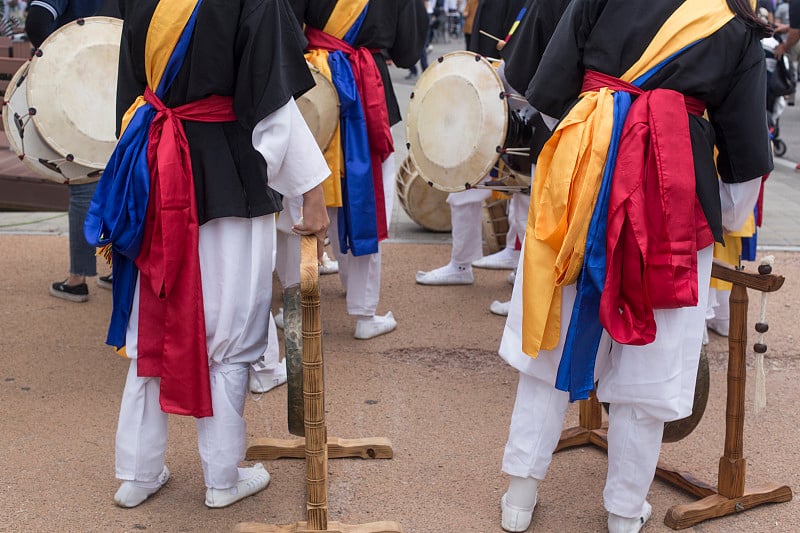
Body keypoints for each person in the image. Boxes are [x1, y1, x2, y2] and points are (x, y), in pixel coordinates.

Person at [497, 2, 772, 532]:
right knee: (652, 349)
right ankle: (624, 511)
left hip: (586, 169)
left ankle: (519, 496)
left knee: (554, 335)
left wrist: (596, 136)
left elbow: (550, 98)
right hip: (675, 193)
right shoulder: (737, 25)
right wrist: (727, 217)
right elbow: (742, 163)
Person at [84, 0, 330, 508]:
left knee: (148, 329)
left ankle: (137, 472)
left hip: (153, 169)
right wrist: (310, 191)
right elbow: (273, 107)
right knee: (231, 333)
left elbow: (130, 94)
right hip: (228, 180)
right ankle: (222, 478)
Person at [291, 0, 428, 340]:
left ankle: (293, 305)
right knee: (366, 195)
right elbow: (409, 51)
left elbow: (286, 29)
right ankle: (364, 311)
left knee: (304, 190)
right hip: (365, 86)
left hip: (313, 86)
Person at [25, 0, 113, 302]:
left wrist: (58, 62)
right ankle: (121, 271)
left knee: (83, 183)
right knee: (124, 182)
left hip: (76, 88)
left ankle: (78, 278)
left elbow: (36, 21)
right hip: (122, 88)